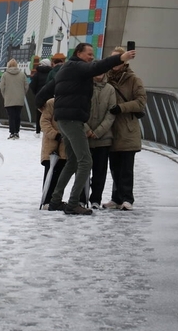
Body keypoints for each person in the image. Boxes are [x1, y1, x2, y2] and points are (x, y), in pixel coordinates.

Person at [47, 42, 136, 215]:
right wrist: (120, 57)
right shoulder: (78, 67)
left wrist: (39, 101)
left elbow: (49, 88)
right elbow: (97, 67)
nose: (91, 57)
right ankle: (73, 204)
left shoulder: (68, 67)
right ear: (79, 53)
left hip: (65, 120)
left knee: (73, 161)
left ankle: (55, 201)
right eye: (89, 54)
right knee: (86, 161)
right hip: (72, 121)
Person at [105, 46, 147, 211]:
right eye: (113, 58)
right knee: (114, 166)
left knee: (126, 167)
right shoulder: (104, 78)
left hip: (127, 129)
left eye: (118, 58)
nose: (115, 62)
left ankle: (127, 198)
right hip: (109, 128)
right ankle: (116, 198)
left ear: (125, 60)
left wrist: (121, 107)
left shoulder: (133, 79)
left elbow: (141, 101)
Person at [84, 72, 117, 209]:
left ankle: (96, 199)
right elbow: (79, 108)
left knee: (100, 171)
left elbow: (111, 112)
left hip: (103, 138)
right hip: (84, 137)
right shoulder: (84, 86)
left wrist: (98, 131)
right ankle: (81, 197)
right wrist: (86, 129)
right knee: (83, 169)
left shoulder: (110, 89)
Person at [39, 96, 66, 209]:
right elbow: (44, 121)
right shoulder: (51, 103)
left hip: (64, 147)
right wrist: (55, 134)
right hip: (51, 146)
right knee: (50, 174)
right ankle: (47, 200)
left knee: (61, 174)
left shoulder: (71, 102)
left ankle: (55, 200)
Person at [0, 58, 29, 139]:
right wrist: (22, 94)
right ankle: (17, 131)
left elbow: (1, 86)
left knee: (11, 116)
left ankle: (12, 132)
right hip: (19, 98)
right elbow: (26, 86)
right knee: (18, 116)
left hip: (9, 98)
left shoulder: (5, 75)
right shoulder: (22, 74)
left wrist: (5, 95)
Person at [29, 58, 55, 134]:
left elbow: (32, 85)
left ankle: (38, 131)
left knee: (39, 114)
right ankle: (49, 130)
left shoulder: (37, 74)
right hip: (50, 96)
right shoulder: (51, 73)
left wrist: (36, 93)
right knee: (50, 114)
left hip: (40, 96)